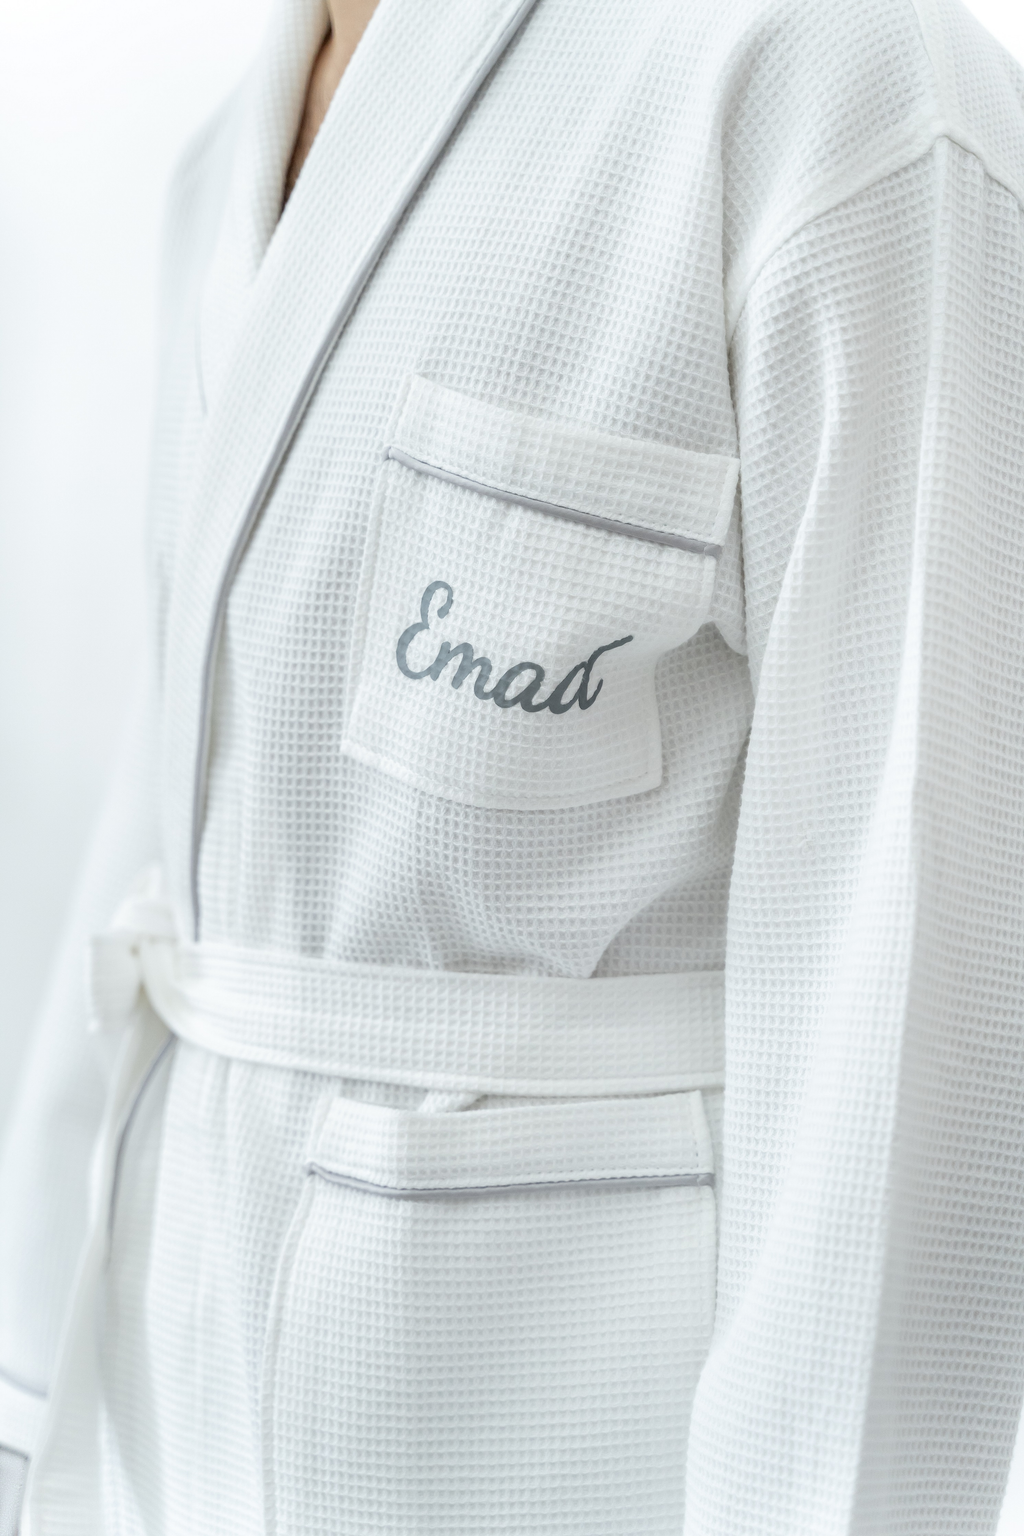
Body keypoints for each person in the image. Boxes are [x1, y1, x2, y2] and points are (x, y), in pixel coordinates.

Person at [3, 0, 1024, 1529]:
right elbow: (159, 857)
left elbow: (908, 1011)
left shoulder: (834, 79)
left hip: (571, 1427)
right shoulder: (224, 167)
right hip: (185, 1405)